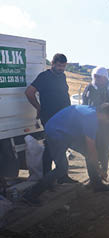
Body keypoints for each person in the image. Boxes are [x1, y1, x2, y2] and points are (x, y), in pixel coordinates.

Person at [22, 104, 109, 205]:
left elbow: (90, 150)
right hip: (56, 133)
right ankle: (31, 194)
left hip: (67, 131)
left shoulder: (93, 111)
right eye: (108, 118)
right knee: (62, 168)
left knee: (88, 153)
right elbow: (91, 147)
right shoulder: (91, 120)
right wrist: (99, 169)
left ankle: (96, 184)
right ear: (102, 114)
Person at [25, 53, 75, 183]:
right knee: (50, 147)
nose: (61, 69)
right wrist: (38, 107)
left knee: (62, 146)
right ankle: (47, 179)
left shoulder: (62, 76)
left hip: (63, 117)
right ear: (52, 63)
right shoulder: (44, 77)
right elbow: (29, 92)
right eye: (59, 66)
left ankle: (62, 176)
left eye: (63, 66)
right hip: (50, 118)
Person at [82, 67, 109, 173]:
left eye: (99, 77)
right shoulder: (90, 88)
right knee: (91, 150)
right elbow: (84, 106)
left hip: (108, 125)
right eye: (95, 77)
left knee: (105, 150)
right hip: (92, 124)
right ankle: (93, 176)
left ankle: (103, 173)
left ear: (105, 77)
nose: (96, 80)